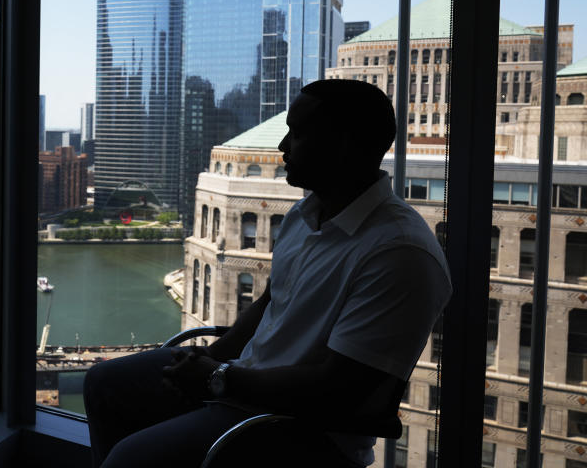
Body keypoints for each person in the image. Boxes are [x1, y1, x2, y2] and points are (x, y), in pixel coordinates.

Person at [83, 79, 452, 467]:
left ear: (344, 144)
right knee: (103, 384)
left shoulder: (399, 253)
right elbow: (269, 303)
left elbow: (339, 389)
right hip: (241, 383)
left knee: (129, 459)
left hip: (302, 429)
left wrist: (216, 378)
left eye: (298, 133)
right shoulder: (303, 215)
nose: (283, 148)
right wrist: (207, 361)